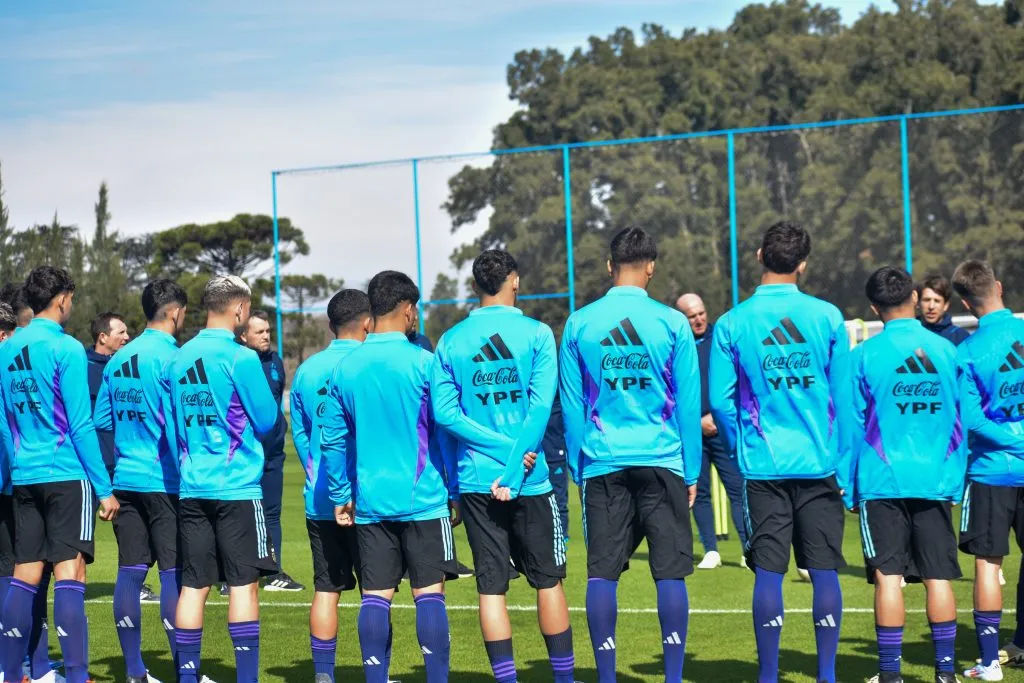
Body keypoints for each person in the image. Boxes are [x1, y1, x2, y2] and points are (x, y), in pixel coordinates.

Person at [709, 221, 850, 683]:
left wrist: (742, 448)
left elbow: (722, 402)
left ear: (758, 255)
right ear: (803, 264)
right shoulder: (827, 316)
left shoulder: (732, 322)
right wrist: (841, 461)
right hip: (819, 463)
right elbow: (843, 398)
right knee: (823, 569)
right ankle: (826, 675)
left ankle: (768, 677)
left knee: (768, 571)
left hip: (762, 467)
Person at [560, 227, 701, 683]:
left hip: (602, 461)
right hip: (662, 460)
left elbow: (574, 404)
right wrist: (693, 469)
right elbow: (687, 402)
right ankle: (674, 677)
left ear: (609, 265)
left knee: (602, 572)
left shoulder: (580, 322)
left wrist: (581, 468)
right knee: (669, 572)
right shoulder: (672, 322)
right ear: (652, 267)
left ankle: (606, 676)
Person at [433, 250, 574, 683]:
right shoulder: (536, 333)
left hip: (477, 480)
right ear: (514, 280)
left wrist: (482, 465)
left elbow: (446, 415)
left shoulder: (451, 340)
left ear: (476, 285)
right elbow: (538, 408)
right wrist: (514, 462)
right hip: (530, 478)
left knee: (490, 587)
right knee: (548, 581)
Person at [322, 271, 459, 683]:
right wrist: (453, 490)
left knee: (376, 597)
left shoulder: (345, 368)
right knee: (429, 595)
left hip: (371, 502)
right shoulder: (424, 363)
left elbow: (333, 440)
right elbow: (446, 429)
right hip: (424, 498)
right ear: (408, 309)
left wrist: (341, 492)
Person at [841, 266, 965, 683]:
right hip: (934, 479)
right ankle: (945, 673)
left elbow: (851, 426)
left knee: (888, 579)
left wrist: (847, 484)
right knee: (938, 576)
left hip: (881, 482)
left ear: (874, 308)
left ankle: (891, 676)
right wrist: (955, 477)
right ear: (914, 298)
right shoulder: (947, 352)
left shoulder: (861, 357)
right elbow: (960, 420)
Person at [0, 266, 119, 683]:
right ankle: (76, 675)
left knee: (25, 573)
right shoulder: (67, 348)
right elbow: (81, 425)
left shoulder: (7, 349)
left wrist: (13, 470)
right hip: (67, 475)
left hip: (25, 476)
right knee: (71, 573)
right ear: (63, 299)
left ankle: (11, 675)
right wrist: (104, 489)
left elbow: (3, 422)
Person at [170, 275, 279, 683]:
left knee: (193, 587)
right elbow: (268, 420)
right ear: (238, 310)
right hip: (236, 487)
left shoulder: (178, 358)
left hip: (193, 486)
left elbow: (174, 425)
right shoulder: (241, 358)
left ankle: (187, 675)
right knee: (243, 586)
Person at [93, 279, 189, 683]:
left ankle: (134, 671)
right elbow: (181, 425)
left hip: (126, 479)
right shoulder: (174, 359)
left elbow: (101, 422)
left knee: (130, 572)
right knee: (172, 573)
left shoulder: (117, 360)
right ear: (174, 312)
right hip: (164, 481)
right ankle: (186, 669)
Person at [289, 289, 372, 683]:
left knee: (327, 587)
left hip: (321, 497)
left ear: (330, 325)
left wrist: (314, 472)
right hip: (368, 499)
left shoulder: (306, 370)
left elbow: (302, 434)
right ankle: (377, 671)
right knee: (377, 593)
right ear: (368, 323)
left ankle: (324, 675)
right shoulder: (368, 365)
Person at [949, 261, 1024, 681]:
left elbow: (972, 421)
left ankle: (990, 661)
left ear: (965, 302)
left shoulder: (968, 352)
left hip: (992, 472)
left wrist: (1015, 442)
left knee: (988, 565)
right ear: (998, 286)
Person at [0, 289, 57, 683]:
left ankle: (35, 666)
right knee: (22, 573)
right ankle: (21, 666)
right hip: (14, 483)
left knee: (26, 572)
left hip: (14, 481)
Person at [675, 292, 748, 569]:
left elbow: (739, 382)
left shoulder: (721, 338)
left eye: (701, 313)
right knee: (699, 491)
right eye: (691, 316)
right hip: (694, 433)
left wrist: (722, 416)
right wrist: (696, 423)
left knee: (738, 489)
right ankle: (711, 551)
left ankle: (747, 549)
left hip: (725, 429)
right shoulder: (678, 346)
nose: (698, 320)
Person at [239, 311, 304, 592]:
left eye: (268, 331)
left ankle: (272, 572)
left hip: (273, 453)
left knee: (272, 513)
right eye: (259, 332)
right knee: (238, 514)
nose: (266, 336)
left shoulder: (275, 362)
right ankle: (233, 576)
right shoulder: (237, 363)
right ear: (243, 336)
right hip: (244, 453)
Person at [87, 312, 129, 481]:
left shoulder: (126, 368)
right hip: (93, 461)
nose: (127, 337)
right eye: (121, 332)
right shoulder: (82, 367)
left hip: (122, 461)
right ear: (103, 337)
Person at [542, 391, 570, 542]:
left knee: (559, 501)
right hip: (530, 452)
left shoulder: (560, 381)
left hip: (554, 451)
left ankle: (561, 545)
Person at [918, 275, 970, 346]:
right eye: (927, 300)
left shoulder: (959, 336)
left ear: (946, 305)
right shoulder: (910, 333)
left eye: (937, 301)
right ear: (918, 303)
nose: (931, 306)